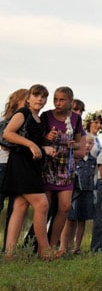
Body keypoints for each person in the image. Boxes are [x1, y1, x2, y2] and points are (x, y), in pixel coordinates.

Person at [2, 85, 58, 259]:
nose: (40, 99)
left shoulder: (39, 119)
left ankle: (10, 254)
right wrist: (31, 144)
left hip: (31, 166)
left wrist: (44, 144)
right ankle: (45, 250)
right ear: (28, 98)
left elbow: (33, 140)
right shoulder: (23, 113)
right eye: (36, 95)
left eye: (43, 97)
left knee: (20, 206)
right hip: (21, 165)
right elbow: (8, 134)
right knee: (42, 205)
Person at [40, 86, 86, 251]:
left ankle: (53, 244)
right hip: (49, 166)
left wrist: (74, 143)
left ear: (70, 101)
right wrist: (47, 137)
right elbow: (40, 141)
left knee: (65, 206)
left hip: (66, 167)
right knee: (44, 206)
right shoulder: (46, 116)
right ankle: (42, 246)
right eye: (55, 99)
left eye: (62, 100)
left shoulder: (76, 119)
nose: (58, 103)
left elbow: (80, 143)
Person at [0, 88, 28, 251]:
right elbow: (4, 140)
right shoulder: (6, 121)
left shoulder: (28, 122)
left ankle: (8, 249)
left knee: (15, 209)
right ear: (17, 101)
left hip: (17, 168)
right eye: (25, 100)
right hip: (3, 166)